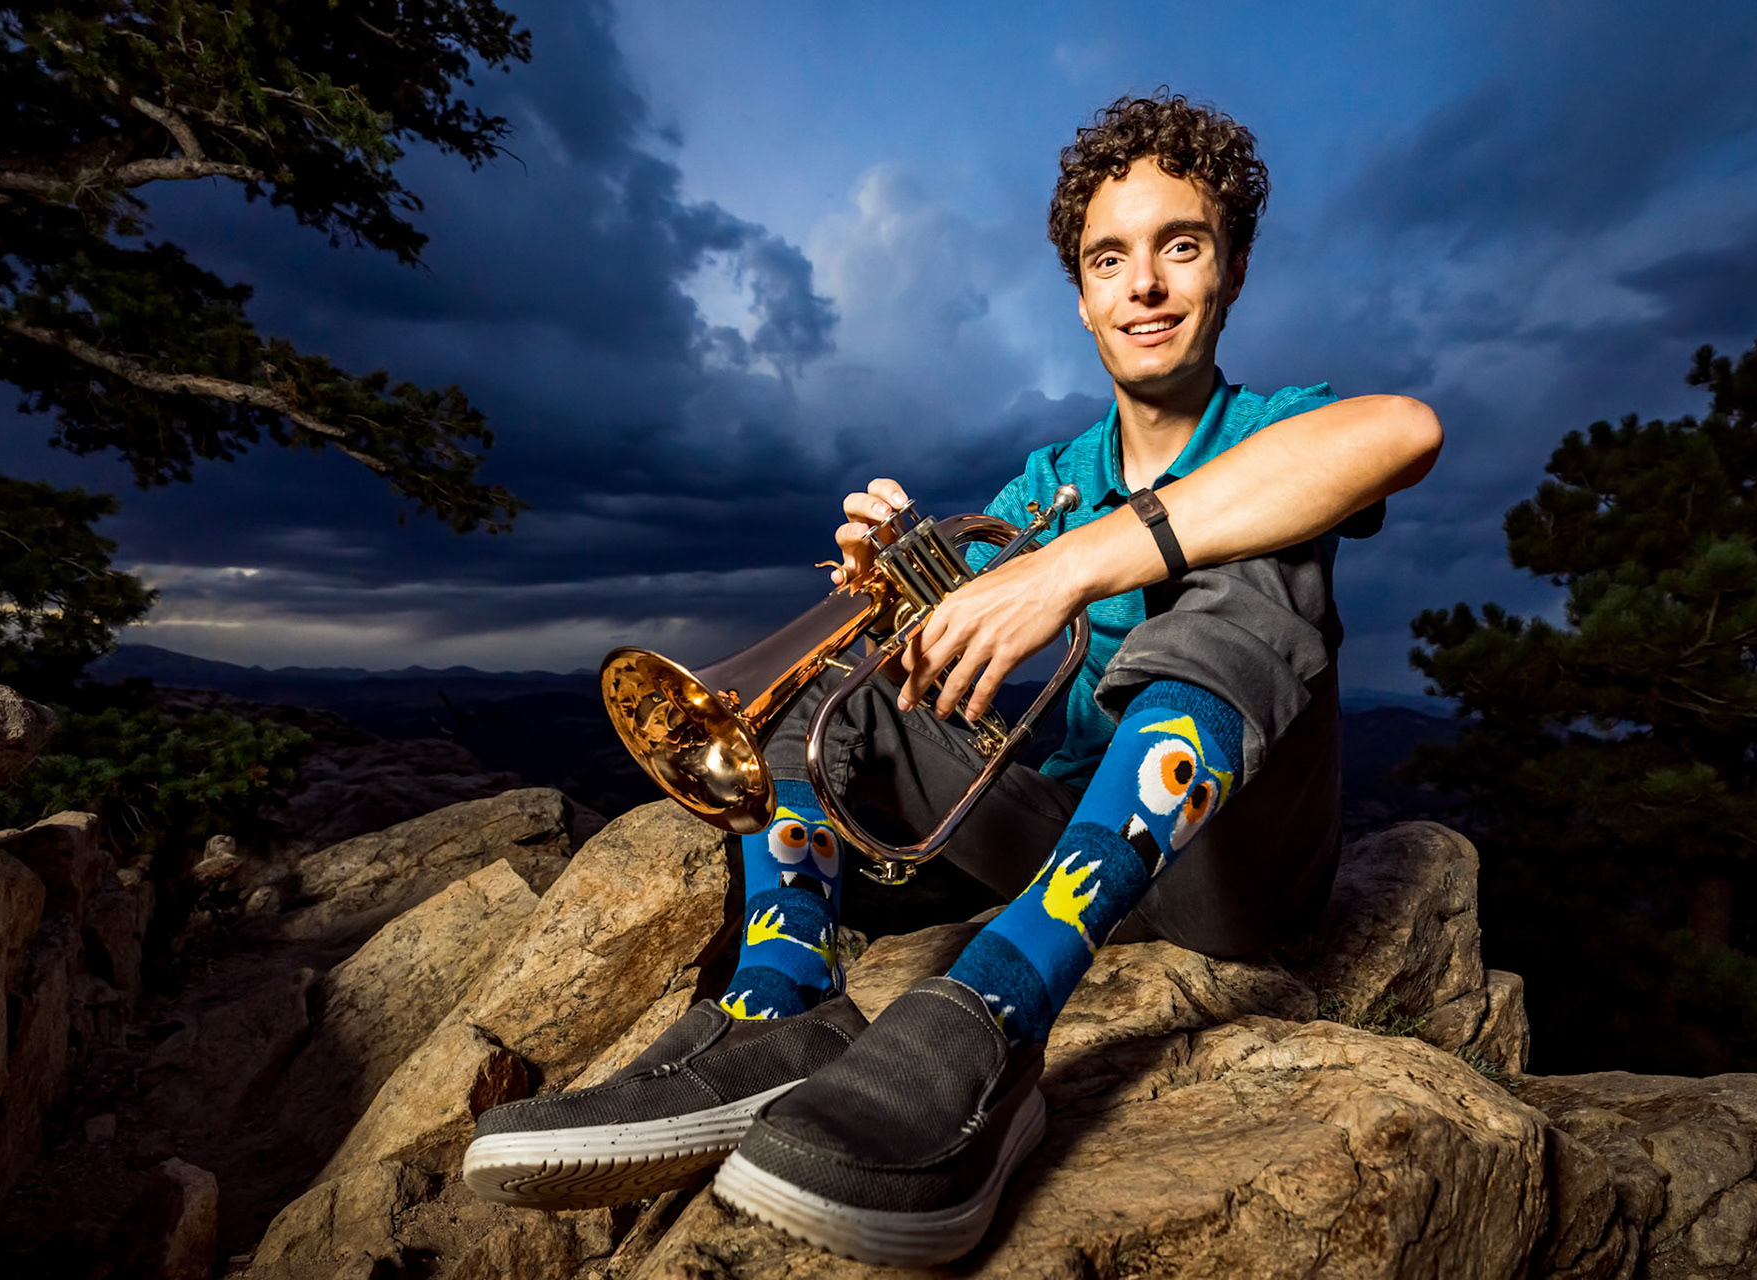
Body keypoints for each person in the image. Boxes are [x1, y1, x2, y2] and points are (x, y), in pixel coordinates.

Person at [462, 92, 1442, 1266]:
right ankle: (778, 1004)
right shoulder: (1054, 478)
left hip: (1231, 879)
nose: (1144, 284)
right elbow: (939, 615)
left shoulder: (1274, 423)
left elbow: (1404, 429)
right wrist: (884, 586)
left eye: (1179, 247)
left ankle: (994, 1011)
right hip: (1069, 839)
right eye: (1109, 258)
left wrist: (1076, 567)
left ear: (1229, 271)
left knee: (1258, 562)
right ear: (1079, 297)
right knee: (821, 687)